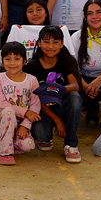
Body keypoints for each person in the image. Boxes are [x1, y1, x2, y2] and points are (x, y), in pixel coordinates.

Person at [26, 26, 86, 163]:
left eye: (55, 42)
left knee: (75, 97)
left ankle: (71, 144)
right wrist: (56, 120)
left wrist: (55, 90)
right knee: (41, 136)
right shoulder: (32, 66)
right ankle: (51, 129)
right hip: (43, 109)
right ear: (39, 43)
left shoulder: (66, 60)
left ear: (62, 44)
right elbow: (35, 98)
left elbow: (75, 86)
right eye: (46, 42)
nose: (50, 46)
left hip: (62, 107)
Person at [0, 41, 42, 165]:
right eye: (8, 59)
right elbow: (0, 103)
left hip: (21, 122)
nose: (12, 63)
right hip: (3, 119)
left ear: (24, 61)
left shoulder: (32, 80)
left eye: (17, 59)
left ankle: (9, 141)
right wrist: (25, 112)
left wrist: (25, 125)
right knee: (9, 111)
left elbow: (35, 105)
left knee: (28, 146)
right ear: (2, 61)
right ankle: (4, 152)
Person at [3, 0, 71, 61]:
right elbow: (6, 56)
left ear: (46, 13)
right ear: (25, 15)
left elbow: (69, 57)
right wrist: (17, 30)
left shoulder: (59, 31)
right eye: (30, 11)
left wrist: (59, 31)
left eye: (39, 10)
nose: (35, 13)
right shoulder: (17, 30)